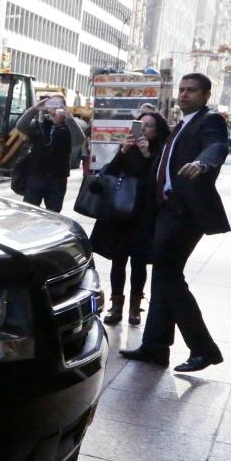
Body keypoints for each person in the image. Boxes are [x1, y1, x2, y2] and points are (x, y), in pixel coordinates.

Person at [121, 73, 230, 373]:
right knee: (163, 276)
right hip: (166, 210)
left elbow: (216, 147)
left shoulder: (209, 120)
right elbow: (164, 164)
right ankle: (155, 347)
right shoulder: (181, 124)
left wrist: (203, 163)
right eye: (181, 90)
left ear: (206, 94)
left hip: (186, 212)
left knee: (168, 275)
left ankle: (203, 348)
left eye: (191, 91)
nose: (183, 95)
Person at [90, 111, 170, 326]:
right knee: (118, 260)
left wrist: (146, 154)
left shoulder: (161, 152)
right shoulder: (127, 148)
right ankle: (116, 306)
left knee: (139, 262)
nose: (143, 130)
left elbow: (158, 180)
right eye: (140, 125)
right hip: (121, 212)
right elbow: (109, 173)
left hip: (144, 214)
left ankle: (135, 307)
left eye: (149, 126)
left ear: (157, 130)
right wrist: (123, 151)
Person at [15, 96, 85, 211]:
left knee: (54, 213)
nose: (55, 109)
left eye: (59, 105)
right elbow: (20, 126)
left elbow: (79, 141)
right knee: (29, 211)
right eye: (52, 104)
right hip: (35, 176)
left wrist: (69, 117)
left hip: (57, 179)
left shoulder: (69, 127)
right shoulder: (38, 124)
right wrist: (35, 108)